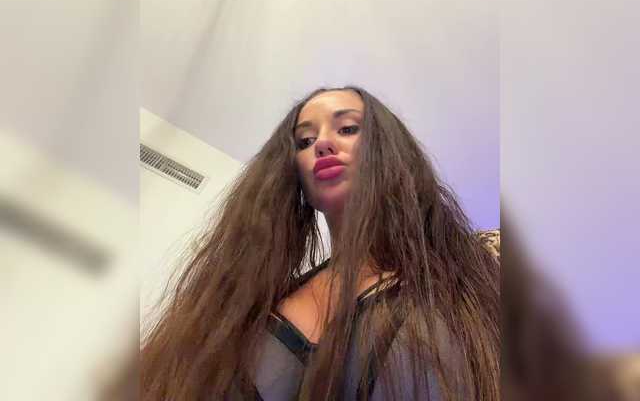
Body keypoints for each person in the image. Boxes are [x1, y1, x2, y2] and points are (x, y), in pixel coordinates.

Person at [141, 86, 500, 400]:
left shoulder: (460, 281)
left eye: (347, 128)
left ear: (389, 151)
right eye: (305, 141)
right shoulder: (256, 303)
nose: (323, 144)